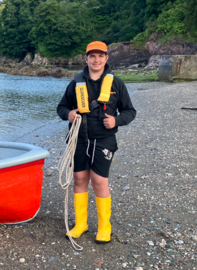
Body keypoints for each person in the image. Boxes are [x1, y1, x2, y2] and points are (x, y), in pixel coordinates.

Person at [56, 41, 136, 244]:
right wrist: (70, 114)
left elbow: (130, 111)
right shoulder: (75, 83)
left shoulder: (116, 84)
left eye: (100, 56)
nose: (96, 60)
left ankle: (104, 227)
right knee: (79, 179)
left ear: (107, 58)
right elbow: (61, 108)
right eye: (92, 56)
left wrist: (116, 120)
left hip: (104, 140)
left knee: (99, 181)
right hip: (79, 140)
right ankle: (81, 224)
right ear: (86, 59)